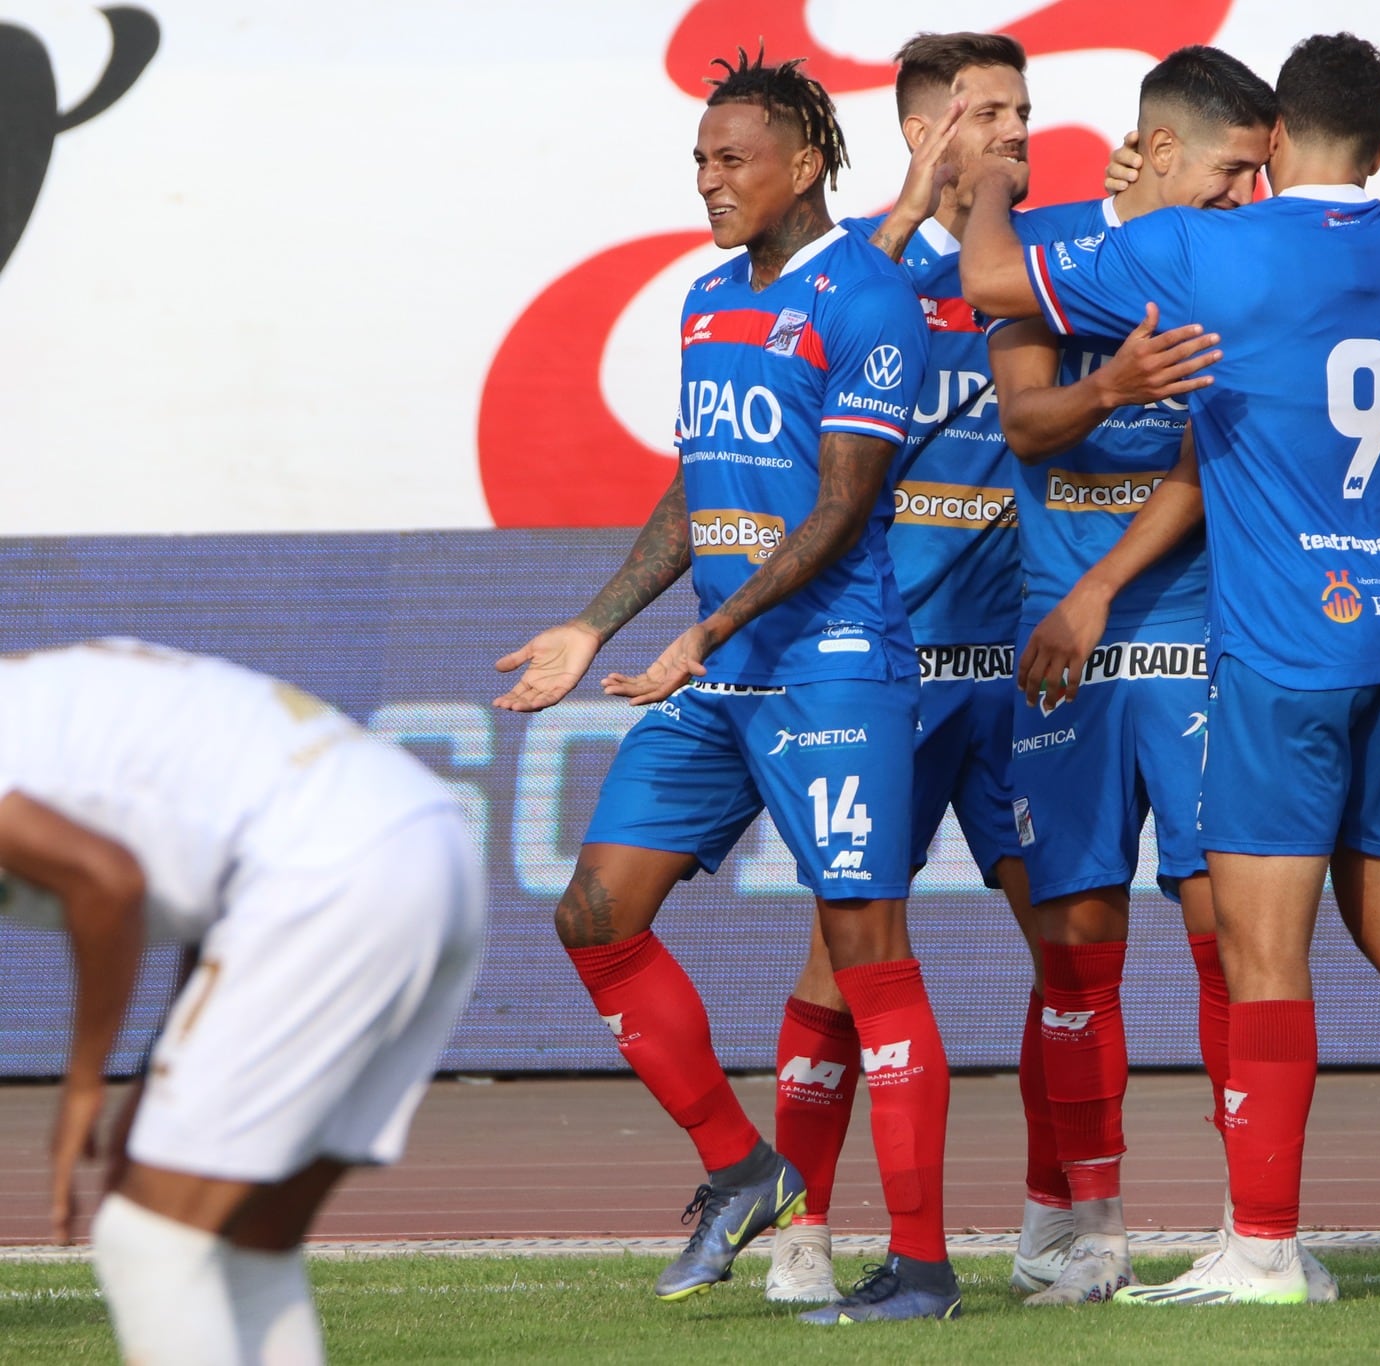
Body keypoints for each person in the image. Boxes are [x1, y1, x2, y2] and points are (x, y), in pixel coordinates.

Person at [962, 32, 1380, 1305]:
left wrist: (986, 173)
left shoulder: (1213, 248)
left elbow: (989, 278)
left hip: (1280, 648)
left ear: (1283, 140)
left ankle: (1261, 1248)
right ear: (1378, 142)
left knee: (1258, 955)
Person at [492, 50, 958, 1325]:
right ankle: (741, 1168)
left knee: (868, 959)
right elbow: (698, 485)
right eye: (699, 159)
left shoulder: (869, 300)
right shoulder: (704, 299)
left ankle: (920, 1264)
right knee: (594, 911)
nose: (707, 180)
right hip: (721, 663)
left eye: (729, 158)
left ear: (803, 167)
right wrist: (596, 624)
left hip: (834, 670)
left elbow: (843, 499)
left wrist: (710, 633)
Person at [958, 45, 1332, 1305]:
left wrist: (1100, 583)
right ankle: (1087, 1224)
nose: (1246, 198)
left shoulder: (1244, 270)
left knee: (1225, 933)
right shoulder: (1050, 256)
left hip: (1178, 632)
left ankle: (1252, 1224)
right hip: (1061, 658)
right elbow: (1021, 420)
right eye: (1232, 170)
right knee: (1073, 944)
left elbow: (1199, 467)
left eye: (1259, 175)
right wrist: (1109, 380)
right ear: (1159, 151)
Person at [753, 30, 1070, 1306]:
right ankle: (803, 1225)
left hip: (1018, 673)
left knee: (1070, 943)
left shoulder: (1042, 272)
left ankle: (1064, 1220)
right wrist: (893, 224)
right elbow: (792, 335)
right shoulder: (864, 278)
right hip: (892, 674)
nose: (1012, 132)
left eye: (1022, 109)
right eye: (984, 112)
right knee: (839, 961)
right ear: (922, 134)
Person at [0, 639, 481, 1364]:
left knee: (151, 1242)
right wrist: (165, 1065)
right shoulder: (40, 699)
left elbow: (107, 883)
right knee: (248, 1246)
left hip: (324, 870)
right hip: (426, 842)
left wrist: (82, 1086)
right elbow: (211, 873)